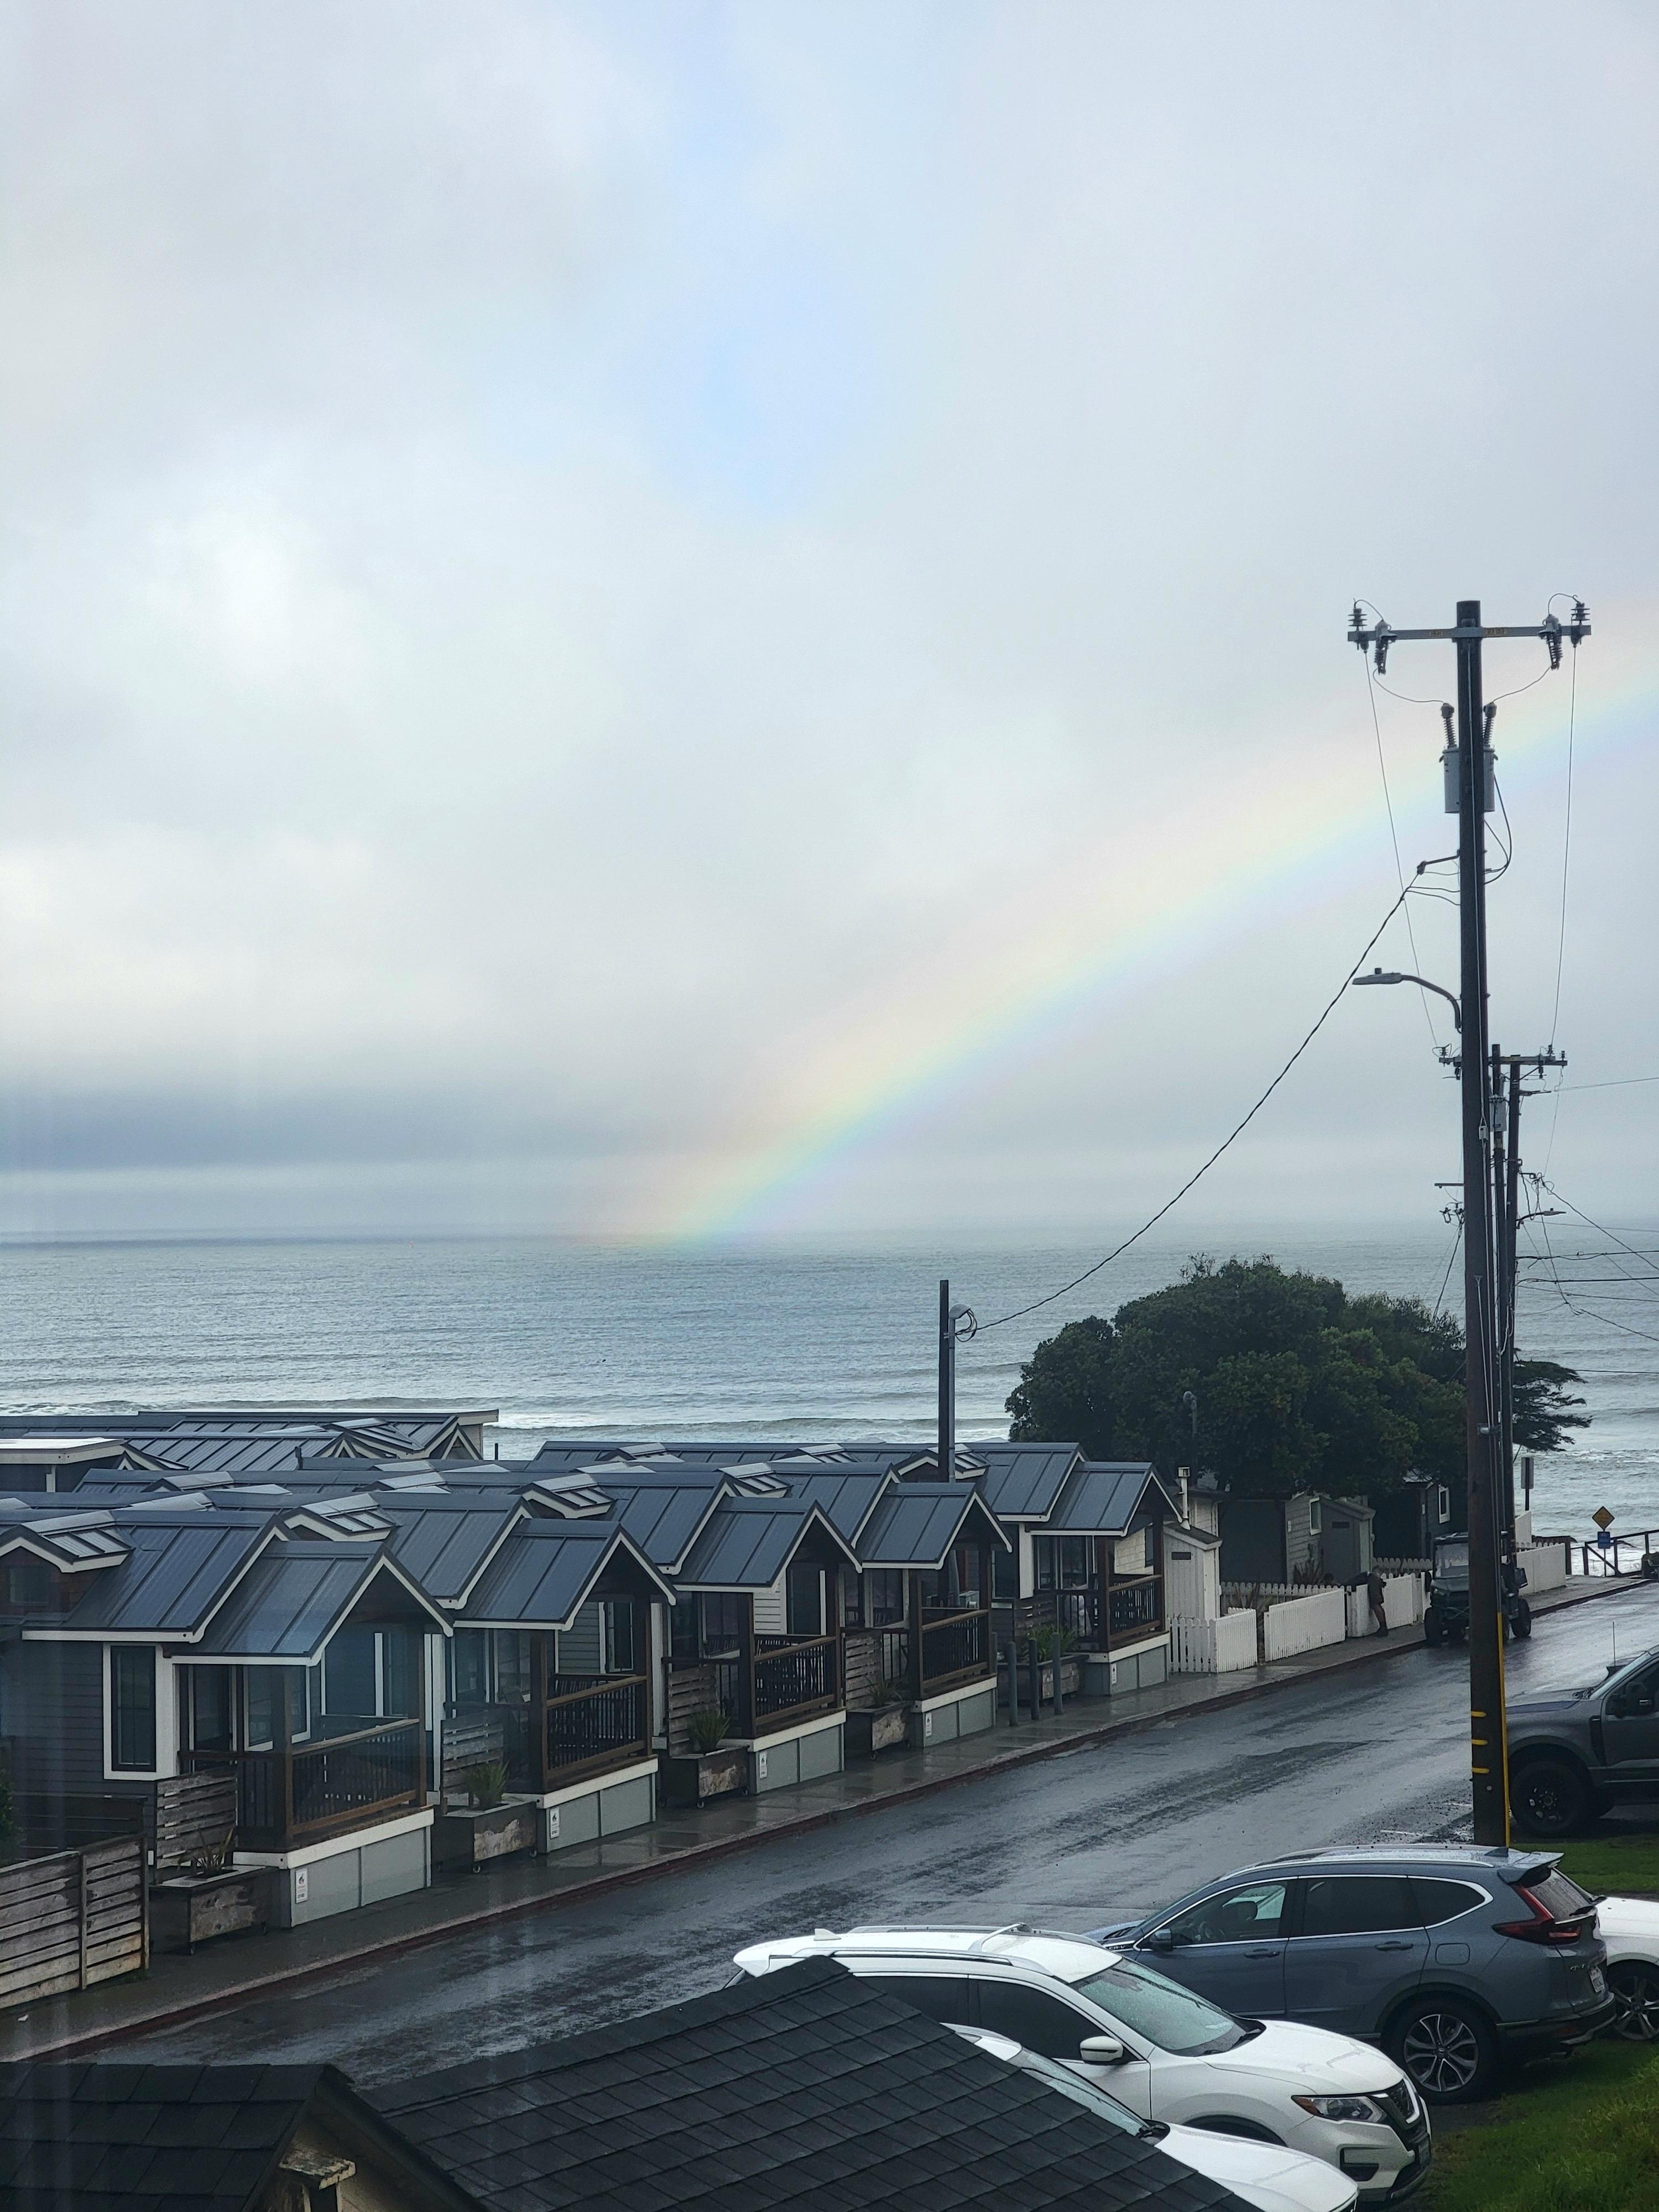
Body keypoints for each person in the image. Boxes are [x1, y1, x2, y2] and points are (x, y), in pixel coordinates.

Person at [1367, 1566, 1388, 1637]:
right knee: (1378, 1605)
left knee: (1376, 1605)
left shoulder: (1372, 1577)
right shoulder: (1376, 1578)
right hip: (1376, 1581)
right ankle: (1384, 1627)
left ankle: (1383, 1628)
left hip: (1374, 1582)